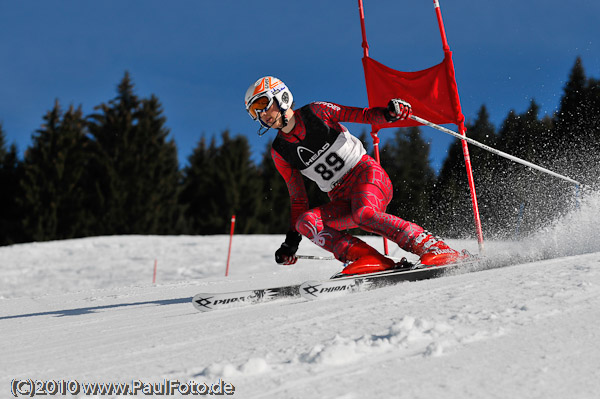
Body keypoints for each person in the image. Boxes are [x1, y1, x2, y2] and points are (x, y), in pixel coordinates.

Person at [244, 76, 466, 276]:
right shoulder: (280, 151)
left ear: (281, 97)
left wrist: (389, 113)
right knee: (307, 222)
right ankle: (369, 258)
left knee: (363, 213)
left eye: (263, 104)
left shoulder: (316, 111)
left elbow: (363, 115)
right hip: (341, 198)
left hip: (367, 175)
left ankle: (433, 247)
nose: (262, 115)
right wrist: (290, 243)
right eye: (255, 112)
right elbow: (298, 198)